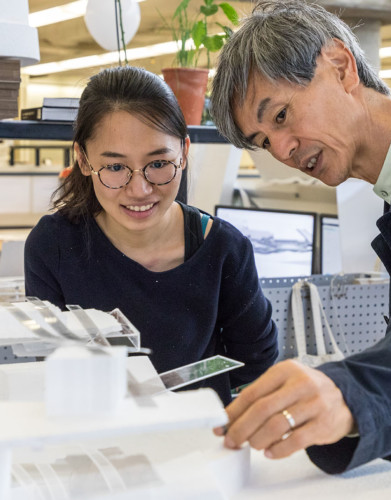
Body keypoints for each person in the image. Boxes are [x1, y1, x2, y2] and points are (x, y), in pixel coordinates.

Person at [209, 0, 391, 494]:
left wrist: (354, 391)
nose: (281, 151)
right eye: (264, 140)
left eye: (281, 115)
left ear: (341, 66)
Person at [24, 65, 278, 406]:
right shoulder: (53, 246)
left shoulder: (224, 249)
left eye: (158, 164)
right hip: (94, 442)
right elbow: (52, 370)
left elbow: (256, 363)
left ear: (184, 152)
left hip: (199, 441)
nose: (139, 190)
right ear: (83, 160)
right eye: (115, 167)